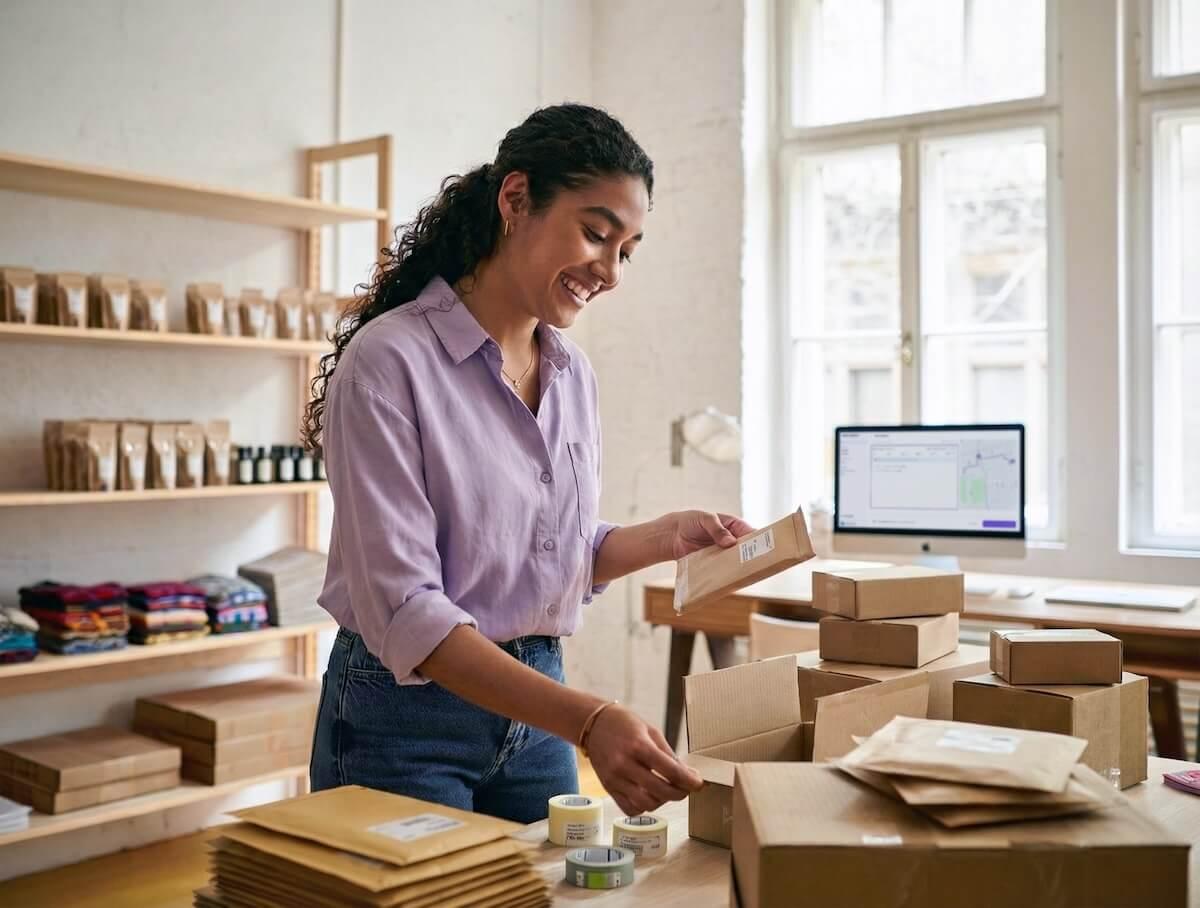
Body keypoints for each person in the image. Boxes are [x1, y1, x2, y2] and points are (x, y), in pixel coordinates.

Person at [302, 103, 754, 824]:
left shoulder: (571, 373)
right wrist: (589, 720)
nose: (609, 271)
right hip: (405, 722)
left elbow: (547, 558)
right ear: (515, 200)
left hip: (538, 707)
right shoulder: (389, 363)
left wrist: (665, 537)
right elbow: (408, 612)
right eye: (596, 234)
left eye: (627, 251)